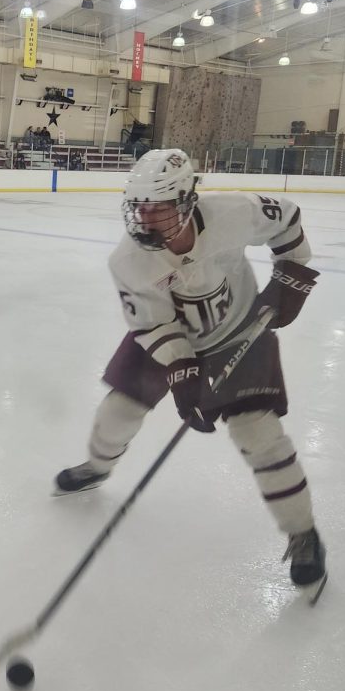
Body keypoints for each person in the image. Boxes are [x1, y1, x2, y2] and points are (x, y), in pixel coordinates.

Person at [54, 149, 326, 595]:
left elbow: (288, 219)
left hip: (240, 333)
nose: (145, 219)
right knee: (118, 412)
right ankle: (98, 467)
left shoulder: (233, 213)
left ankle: (303, 534)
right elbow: (152, 323)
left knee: (260, 438)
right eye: (139, 207)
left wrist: (292, 275)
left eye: (158, 208)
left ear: (186, 201)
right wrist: (182, 371)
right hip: (171, 337)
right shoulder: (128, 262)